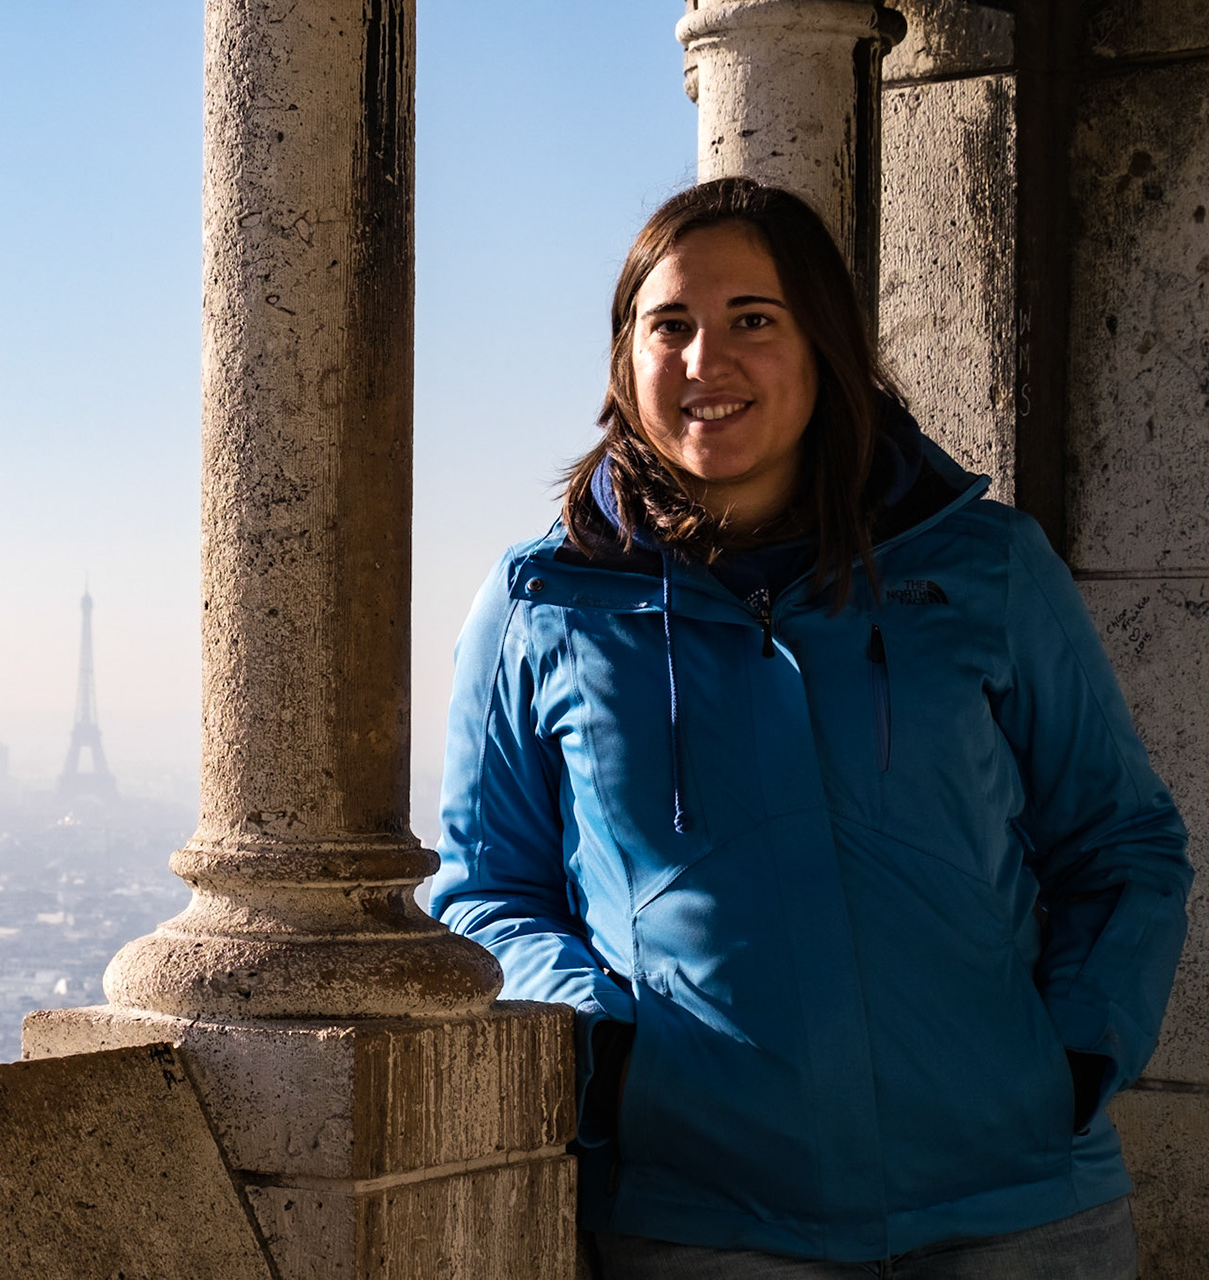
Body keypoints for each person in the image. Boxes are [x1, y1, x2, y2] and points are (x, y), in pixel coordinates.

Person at [430, 177, 1191, 1277]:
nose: (706, 363)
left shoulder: (986, 567)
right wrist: (610, 1057)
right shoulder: (544, 602)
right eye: (671, 326)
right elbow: (487, 889)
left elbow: (1121, 845)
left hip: (1022, 1206)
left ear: (825, 344)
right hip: (702, 1220)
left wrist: (1070, 1056)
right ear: (623, 360)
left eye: (753, 321)